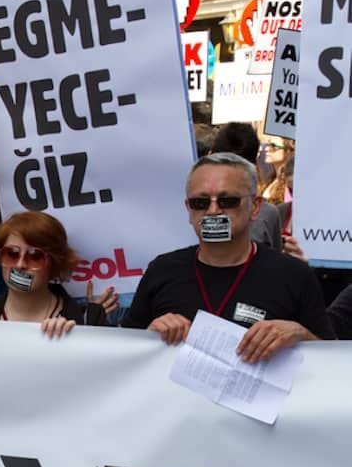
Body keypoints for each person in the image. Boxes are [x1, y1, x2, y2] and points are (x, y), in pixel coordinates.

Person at [122, 152, 333, 361]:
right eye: (200, 203)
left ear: (255, 207)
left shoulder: (293, 275)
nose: (213, 211)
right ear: (189, 209)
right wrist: (149, 337)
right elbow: (124, 354)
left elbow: (333, 363)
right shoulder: (162, 270)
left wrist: (300, 334)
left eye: (228, 201)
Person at [0, 211, 115, 336]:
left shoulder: (89, 319)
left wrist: (76, 338)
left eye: (35, 256)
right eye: (11, 254)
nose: (20, 265)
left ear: (55, 263)